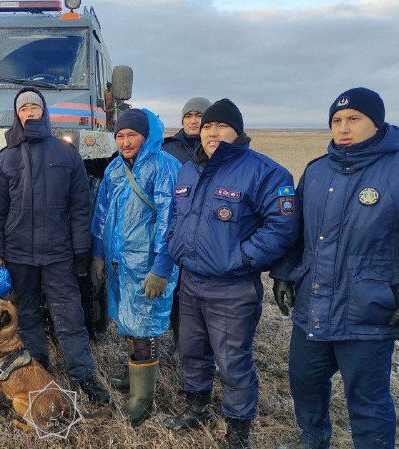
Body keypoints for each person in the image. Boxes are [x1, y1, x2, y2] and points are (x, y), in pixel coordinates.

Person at [270, 88, 399, 449]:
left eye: (354, 119)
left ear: (377, 122)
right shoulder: (316, 171)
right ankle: (312, 439)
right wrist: (283, 272)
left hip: (368, 311)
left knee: (368, 401)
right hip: (312, 306)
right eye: (337, 120)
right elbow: (296, 233)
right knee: (304, 383)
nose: (343, 127)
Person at [165, 99, 299, 448]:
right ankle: (197, 409)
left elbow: (282, 227)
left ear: (237, 132)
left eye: (221, 126)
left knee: (232, 361)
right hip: (190, 281)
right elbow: (176, 216)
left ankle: (238, 432)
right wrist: (173, 243)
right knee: (191, 351)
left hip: (232, 287)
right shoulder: (189, 169)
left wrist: (239, 258)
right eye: (207, 126)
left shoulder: (265, 172)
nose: (212, 132)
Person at [0, 87, 110, 405]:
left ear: (44, 112)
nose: (29, 112)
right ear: (17, 115)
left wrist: (81, 250)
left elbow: (81, 207)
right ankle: (40, 374)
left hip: (58, 254)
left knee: (70, 317)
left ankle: (83, 376)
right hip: (18, 254)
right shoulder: (6, 157)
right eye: (23, 108)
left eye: (34, 107)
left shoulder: (66, 154)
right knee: (26, 317)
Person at [90, 108, 181, 426]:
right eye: (120, 135)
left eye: (132, 135)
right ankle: (132, 377)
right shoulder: (114, 169)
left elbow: (171, 221)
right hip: (120, 263)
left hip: (149, 265)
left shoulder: (164, 166)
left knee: (144, 327)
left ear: (147, 136)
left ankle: (143, 400)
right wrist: (98, 254)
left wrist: (161, 267)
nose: (126, 142)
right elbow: (100, 213)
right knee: (129, 322)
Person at [161, 96, 212, 349]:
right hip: (176, 229)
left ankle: (203, 345)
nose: (193, 120)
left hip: (208, 233)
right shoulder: (167, 148)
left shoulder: (217, 148)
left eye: (199, 115)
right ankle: (181, 343)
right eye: (188, 116)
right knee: (176, 291)